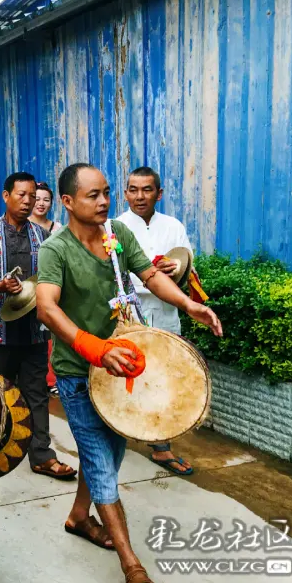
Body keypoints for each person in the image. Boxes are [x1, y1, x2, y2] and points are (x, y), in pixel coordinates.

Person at [36, 163, 223, 583]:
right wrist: (93, 348)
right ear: (67, 202)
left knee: (107, 454)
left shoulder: (116, 233)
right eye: (92, 195)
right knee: (103, 464)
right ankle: (131, 565)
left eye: (105, 193)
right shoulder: (56, 249)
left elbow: (152, 275)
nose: (104, 202)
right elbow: (47, 307)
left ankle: (79, 517)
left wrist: (190, 304)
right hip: (79, 374)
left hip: (123, 369)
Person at [0, 172, 75, 481]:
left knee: (36, 392)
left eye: (32, 196)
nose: (28, 201)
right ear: (6, 196)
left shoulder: (44, 238)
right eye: (21, 195)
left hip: (34, 331)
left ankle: (41, 455)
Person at [117, 166, 195, 475]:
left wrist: (174, 269)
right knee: (126, 375)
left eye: (146, 189)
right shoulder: (115, 225)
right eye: (133, 189)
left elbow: (186, 262)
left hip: (166, 311)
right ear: (125, 193)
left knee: (166, 376)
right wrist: (144, 274)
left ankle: (162, 447)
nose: (139, 196)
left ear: (158, 193)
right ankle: (122, 431)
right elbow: (109, 269)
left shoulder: (173, 225)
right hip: (130, 313)